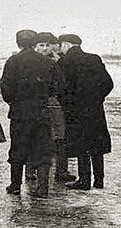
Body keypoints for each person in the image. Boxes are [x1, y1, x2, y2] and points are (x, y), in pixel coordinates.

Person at [1, 30, 58, 197]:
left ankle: (15, 185)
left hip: (19, 113)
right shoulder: (46, 61)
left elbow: (5, 87)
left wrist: (13, 101)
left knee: (18, 147)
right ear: (34, 43)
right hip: (41, 111)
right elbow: (59, 85)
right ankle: (42, 188)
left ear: (18, 42)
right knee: (42, 149)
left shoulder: (13, 61)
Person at [58, 34, 114, 190]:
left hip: (75, 111)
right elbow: (108, 83)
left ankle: (84, 180)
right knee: (96, 143)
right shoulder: (94, 59)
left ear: (66, 44)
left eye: (62, 45)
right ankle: (99, 180)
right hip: (95, 109)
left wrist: (67, 105)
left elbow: (62, 88)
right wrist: (97, 99)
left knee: (82, 146)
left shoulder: (64, 62)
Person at [38, 32, 75, 182]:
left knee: (54, 137)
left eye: (50, 44)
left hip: (47, 103)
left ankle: (35, 172)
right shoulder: (56, 61)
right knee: (56, 137)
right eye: (45, 44)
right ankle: (60, 171)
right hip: (52, 103)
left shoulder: (57, 60)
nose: (49, 47)